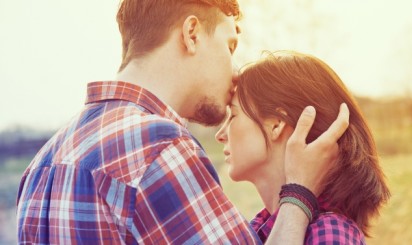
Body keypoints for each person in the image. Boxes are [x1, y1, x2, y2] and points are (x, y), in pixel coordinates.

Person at [15, 1, 349, 244]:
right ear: (191, 34)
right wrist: (300, 192)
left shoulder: (42, 163)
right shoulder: (158, 146)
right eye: (229, 46)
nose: (234, 72)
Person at [215, 51, 391, 244]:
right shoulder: (259, 230)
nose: (220, 135)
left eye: (232, 116)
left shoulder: (331, 234)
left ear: (276, 124)